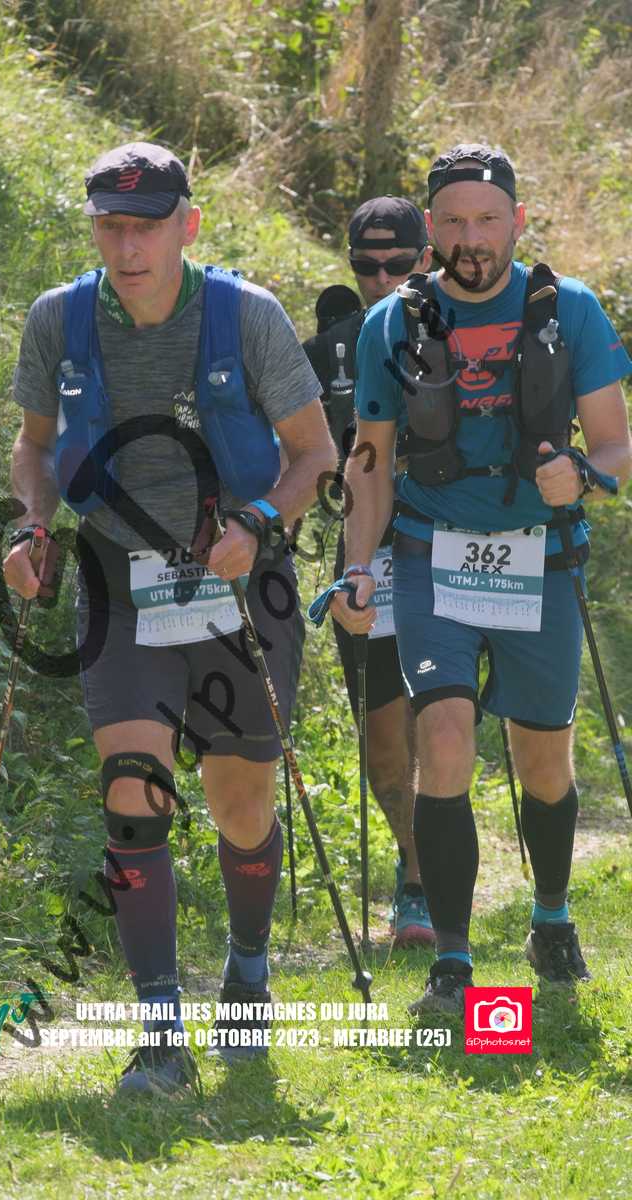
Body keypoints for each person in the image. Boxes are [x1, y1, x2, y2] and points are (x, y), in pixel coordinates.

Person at [4, 142, 335, 1090]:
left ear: (187, 226)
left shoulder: (248, 315)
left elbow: (315, 455)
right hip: (117, 578)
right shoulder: (59, 319)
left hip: (240, 580)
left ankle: (248, 972)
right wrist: (32, 526)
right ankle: (160, 1032)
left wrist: (260, 521)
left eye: (146, 227)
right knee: (131, 789)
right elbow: (33, 448)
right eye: (110, 226)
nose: (128, 246)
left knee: (240, 805)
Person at [334, 142, 632, 1013]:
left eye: (489, 220)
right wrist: (358, 569)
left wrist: (584, 476)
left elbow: (616, 445)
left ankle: (551, 914)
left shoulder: (569, 309)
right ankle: (453, 962)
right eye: (456, 221)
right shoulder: (393, 322)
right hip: (432, 556)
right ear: (432, 227)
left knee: (544, 762)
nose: (473, 238)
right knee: (445, 738)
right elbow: (369, 461)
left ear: (518, 222)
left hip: (540, 557)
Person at [302, 197, 434, 946]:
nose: (382, 278)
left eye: (397, 264)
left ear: (426, 258)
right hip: (368, 561)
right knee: (384, 742)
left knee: (442, 725)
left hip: (457, 551)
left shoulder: (467, 328)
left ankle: (431, 880)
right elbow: (295, 452)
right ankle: (416, 871)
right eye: (366, 266)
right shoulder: (328, 350)